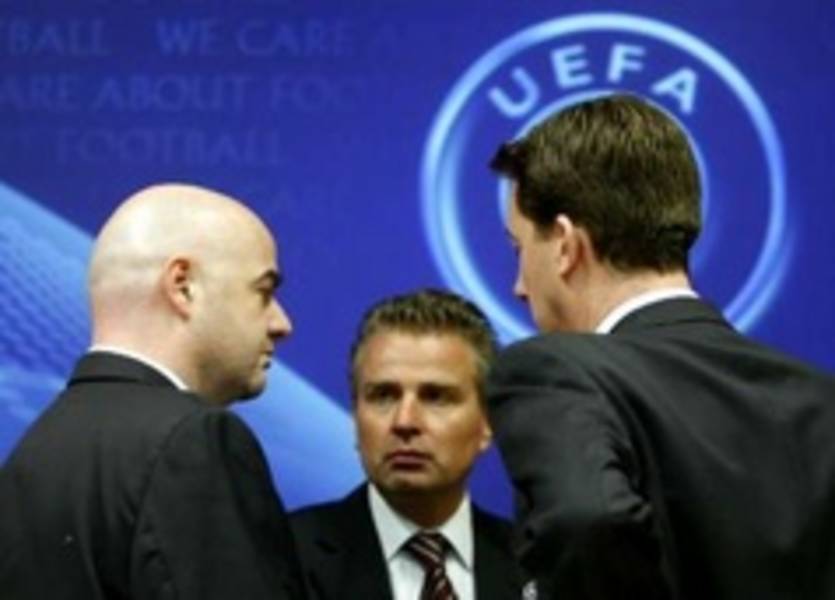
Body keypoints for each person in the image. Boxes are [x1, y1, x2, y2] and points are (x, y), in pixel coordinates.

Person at [486, 93, 835, 600]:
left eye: (520, 249)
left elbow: (587, 520)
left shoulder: (552, 371)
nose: (519, 286)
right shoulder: (820, 399)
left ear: (564, 244)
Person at [0, 183, 307, 599]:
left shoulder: (33, 453)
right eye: (264, 292)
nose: (281, 323)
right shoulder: (194, 442)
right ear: (183, 286)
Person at [290, 289, 522, 599]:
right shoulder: (285, 554)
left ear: (487, 422)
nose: (404, 422)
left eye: (435, 397)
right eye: (383, 396)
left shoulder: (536, 566)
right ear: (355, 416)